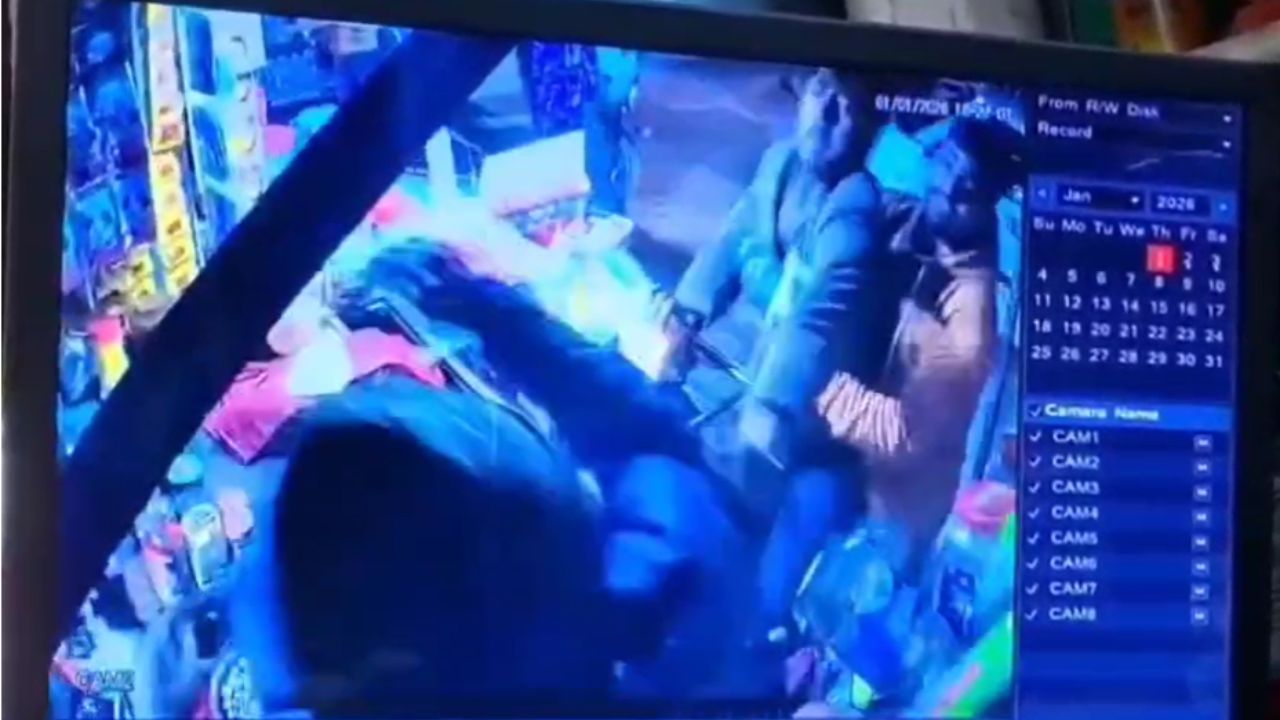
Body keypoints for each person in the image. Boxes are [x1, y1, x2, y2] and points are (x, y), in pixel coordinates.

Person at [656, 68, 907, 642]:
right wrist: (685, 316)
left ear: (873, 126)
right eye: (821, 95)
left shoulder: (858, 212)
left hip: (819, 424)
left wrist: (763, 418)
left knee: (771, 583)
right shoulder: (779, 164)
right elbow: (730, 241)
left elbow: (814, 323)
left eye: (848, 107)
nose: (828, 118)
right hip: (747, 377)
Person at [816, 117, 1018, 571]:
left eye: (967, 189)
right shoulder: (909, 226)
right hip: (845, 478)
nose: (948, 189)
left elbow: (906, 436)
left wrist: (817, 390)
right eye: (946, 166)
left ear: (987, 206)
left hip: (880, 527)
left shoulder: (969, 328)